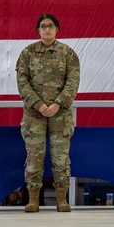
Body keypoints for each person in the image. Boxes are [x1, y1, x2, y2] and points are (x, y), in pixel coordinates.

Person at [15, 13, 80, 213]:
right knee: (34, 157)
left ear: (57, 29)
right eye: (43, 26)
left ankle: (61, 198)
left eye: (51, 26)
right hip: (34, 114)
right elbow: (22, 81)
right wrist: (38, 104)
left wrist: (58, 104)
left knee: (61, 158)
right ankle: (33, 199)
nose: (47, 29)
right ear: (38, 30)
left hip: (60, 114)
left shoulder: (67, 53)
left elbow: (73, 81)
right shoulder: (27, 53)